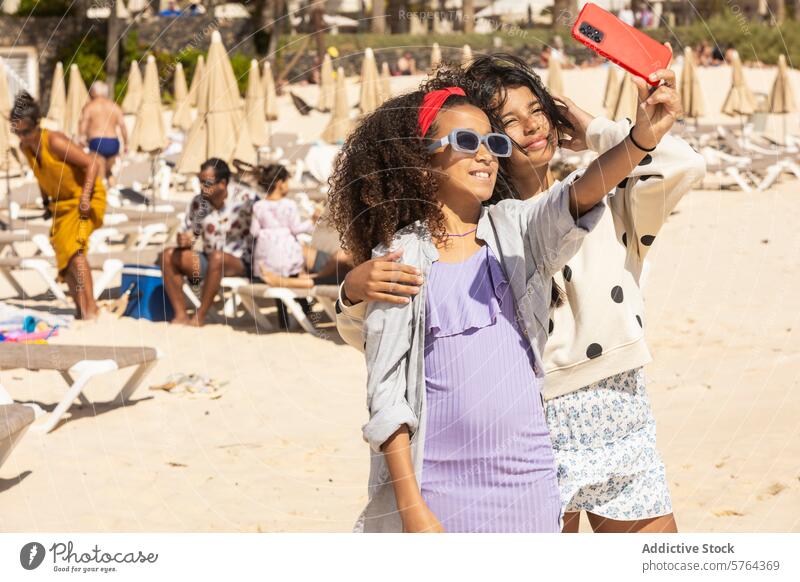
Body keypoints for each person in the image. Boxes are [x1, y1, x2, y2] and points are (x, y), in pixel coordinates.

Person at [335, 54, 704, 533]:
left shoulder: (598, 204)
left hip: (618, 411)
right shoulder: (475, 233)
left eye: (539, 109)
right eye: (505, 123)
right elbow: (377, 346)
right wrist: (349, 290)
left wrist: (607, 131)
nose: (530, 126)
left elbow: (665, 166)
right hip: (539, 420)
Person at [10, 92, 107, 320]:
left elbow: (92, 163)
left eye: (26, 132)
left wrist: (85, 197)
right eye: (17, 132)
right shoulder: (26, 148)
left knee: (76, 253)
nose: (22, 137)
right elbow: (41, 174)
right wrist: (45, 201)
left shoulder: (54, 141)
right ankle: (80, 309)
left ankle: (91, 307)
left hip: (87, 197)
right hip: (62, 204)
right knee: (64, 255)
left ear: (37, 125)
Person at [161, 158, 255, 326]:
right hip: (210, 259)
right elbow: (188, 231)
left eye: (207, 183)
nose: (202, 187)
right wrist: (184, 240)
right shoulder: (198, 203)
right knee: (168, 255)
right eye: (200, 182)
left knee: (217, 258)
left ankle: (200, 316)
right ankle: (180, 315)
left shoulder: (246, 199)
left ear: (223, 183)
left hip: (242, 261)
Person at [250, 164, 350, 288]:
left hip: (267, 256)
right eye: (287, 182)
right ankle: (301, 298)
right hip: (287, 256)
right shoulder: (289, 205)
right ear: (280, 183)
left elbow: (254, 231)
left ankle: (284, 288)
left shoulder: (258, 206)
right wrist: (312, 222)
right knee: (294, 275)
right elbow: (296, 229)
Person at [79, 81, 127, 185]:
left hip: (97, 142)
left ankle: (103, 199)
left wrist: (82, 137)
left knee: (98, 176)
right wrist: (126, 143)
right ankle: (113, 192)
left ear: (94, 92)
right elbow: (123, 125)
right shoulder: (114, 106)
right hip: (113, 142)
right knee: (109, 172)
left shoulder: (90, 106)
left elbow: (84, 123)